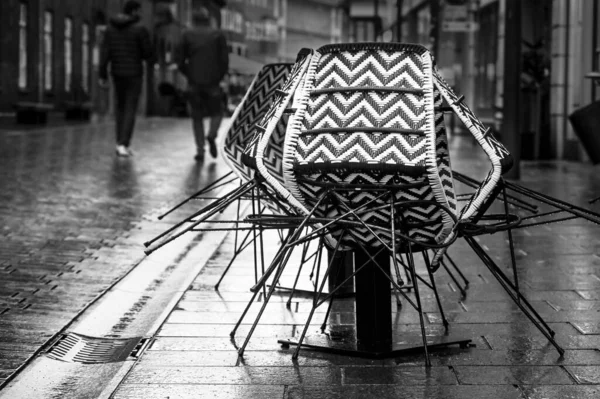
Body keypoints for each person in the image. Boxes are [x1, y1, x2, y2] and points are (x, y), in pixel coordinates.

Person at [99, 0, 153, 157]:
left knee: (120, 108)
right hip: (134, 74)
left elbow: (105, 54)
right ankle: (124, 143)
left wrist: (102, 74)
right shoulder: (140, 30)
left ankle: (119, 143)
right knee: (130, 108)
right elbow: (147, 53)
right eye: (139, 10)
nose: (141, 14)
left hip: (117, 73)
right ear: (134, 11)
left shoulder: (110, 30)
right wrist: (150, 58)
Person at [175, 8, 229, 162]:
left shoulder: (186, 34)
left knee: (196, 116)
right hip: (213, 82)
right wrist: (218, 76)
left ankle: (200, 149)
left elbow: (178, 59)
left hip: (194, 83)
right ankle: (211, 135)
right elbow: (224, 61)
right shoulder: (218, 35)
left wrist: (189, 73)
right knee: (217, 112)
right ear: (208, 19)